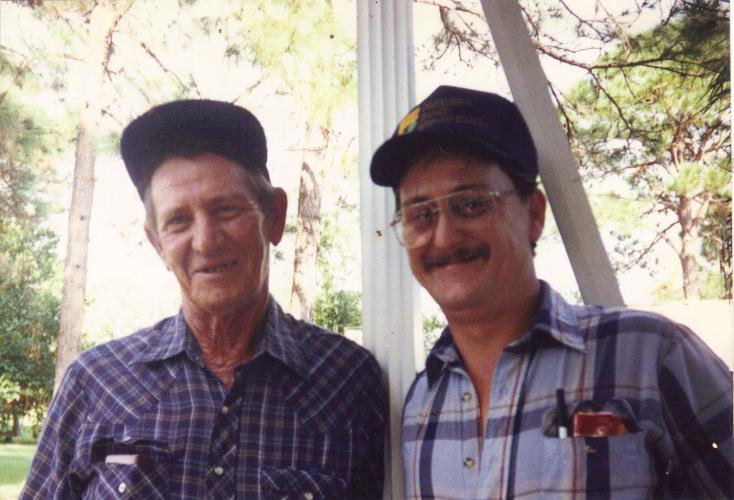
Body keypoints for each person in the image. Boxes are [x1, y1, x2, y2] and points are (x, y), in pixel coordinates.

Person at [369, 85, 733, 499]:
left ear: (533, 215)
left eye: (470, 204)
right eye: (420, 214)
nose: (445, 235)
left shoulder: (647, 353)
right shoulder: (421, 403)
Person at [22, 99, 387, 499]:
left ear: (275, 216)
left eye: (226, 209)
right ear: (157, 243)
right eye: (178, 221)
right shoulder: (96, 382)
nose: (206, 240)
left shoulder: (348, 380)